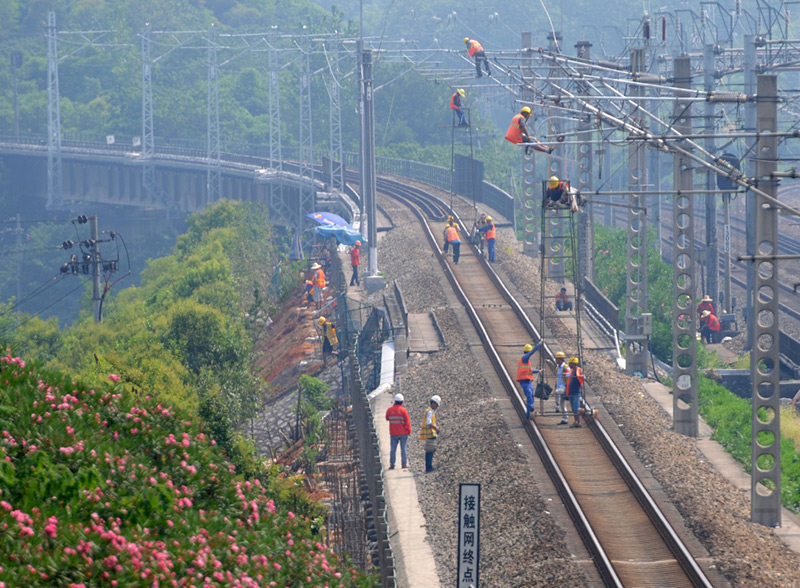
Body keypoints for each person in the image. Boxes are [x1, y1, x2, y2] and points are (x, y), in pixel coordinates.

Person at [516, 341, 542, 419]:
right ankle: (531, 407)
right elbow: (531, 353)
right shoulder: (524, 358)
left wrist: (538, 371)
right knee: (529, 394)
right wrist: (538, 345)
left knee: (530, 396)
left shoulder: (527, 361)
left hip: (528, 380)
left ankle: (528, 415)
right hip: (524, 381)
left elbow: (529, 370)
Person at [386, 393, 411, 469]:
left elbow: (387, 418)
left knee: (393, 449)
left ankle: (392, 464)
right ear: (402, 402)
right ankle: (404, 464)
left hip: (393, 433)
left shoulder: (390, 410)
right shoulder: (404, 410)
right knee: (403, 448)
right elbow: (407, 422)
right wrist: (409, 431)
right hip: (403, 433)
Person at [420, 395, 441, 472]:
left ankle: (429, 466)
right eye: (437, 405)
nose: (437, 407)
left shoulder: (430, 411)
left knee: (430, 451)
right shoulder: (429, 412)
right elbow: (428, 422)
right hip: (430, 435)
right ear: (433, 403)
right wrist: (436, 428)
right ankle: (429, 468)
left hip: (430, 434)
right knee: (429, 452)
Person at [566, 356, 584, 428]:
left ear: (573, 364)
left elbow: (582, 376)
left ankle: (578, 422)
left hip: (576, 392)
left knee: (576, 408)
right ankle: (576, 421)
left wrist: (582, 376)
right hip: (571, 392)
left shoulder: (579, 370)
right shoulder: (572, 371)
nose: (569, 365)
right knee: (574, 408)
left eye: (570, 364)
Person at [554, 352, 570, 425]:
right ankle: (565, 419)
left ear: (560, 359)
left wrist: (565, 374)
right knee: (562, 404)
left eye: (557, 359)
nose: (556, 360)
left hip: (564, 387)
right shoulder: (557, 367)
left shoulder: (565, 367)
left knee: (557, 392)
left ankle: (557, 406)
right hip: (559, 386)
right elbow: (558, 377)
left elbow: (569, 375)